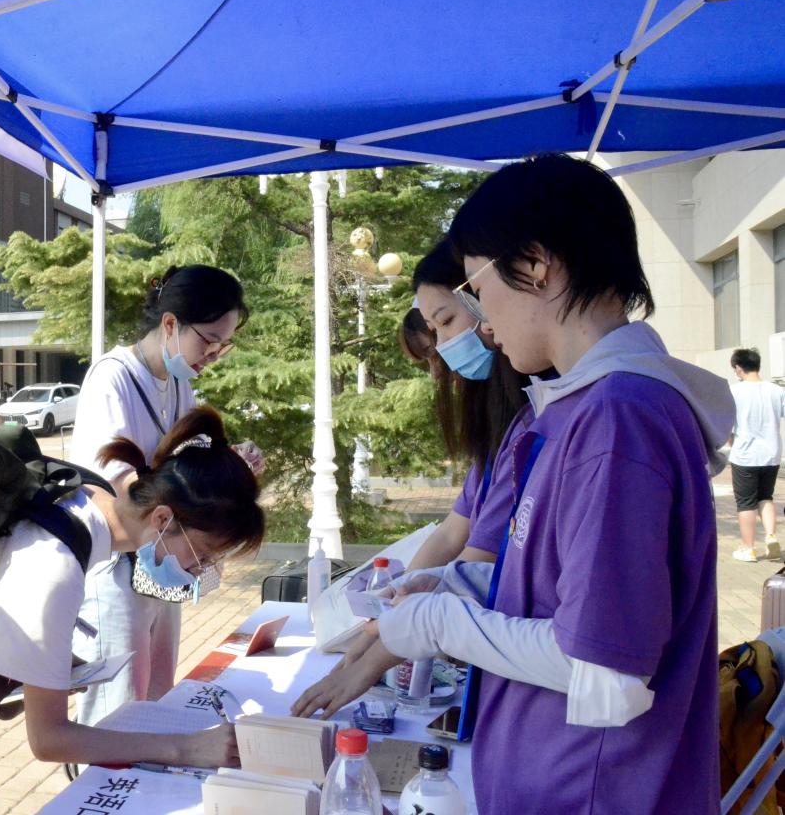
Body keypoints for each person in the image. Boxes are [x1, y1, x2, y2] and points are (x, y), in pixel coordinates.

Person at [293, 155, 733, 813]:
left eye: (477, 288)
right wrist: (455, 585)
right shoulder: (573, 410)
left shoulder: (618, 418)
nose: (483, 321)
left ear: (535, 265)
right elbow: (559, 593)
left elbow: (604, 673)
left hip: (590, 790)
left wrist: (439, 621)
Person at [0, 407, 264, 814]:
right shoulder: (55, 564)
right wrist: (188, 748)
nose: (200, 572)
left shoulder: (91, 495)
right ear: (163, 517)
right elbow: (49, 740)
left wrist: (51, 664)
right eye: (202, 556)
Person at [67, 265, 263, 728]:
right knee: (116, 710)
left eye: (223, 345)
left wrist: (228, 462)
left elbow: (181, 462)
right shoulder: (113, 377)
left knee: (156, 696)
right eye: (209, 340)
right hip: (118, 564)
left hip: (162, 557)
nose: (213, 355)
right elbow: (119, 485)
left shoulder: (178, 383)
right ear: (171, 324)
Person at [396, 241, 532, 575]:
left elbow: (479, 556)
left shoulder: (533, 422)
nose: (443, 353)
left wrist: (408, 598)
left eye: (445, 322)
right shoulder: (498, 423)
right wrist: (395, 593)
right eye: (435, 332)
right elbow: (452, 532)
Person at [728, 347, 785, 562]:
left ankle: (748, 548)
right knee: (766, 497)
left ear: (738, 368)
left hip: (745, 455)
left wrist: (730, 441)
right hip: (771, 454)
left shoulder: (734, 391)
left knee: (745, 503)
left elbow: (726, 424)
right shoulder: (776, 391)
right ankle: (771, 536)